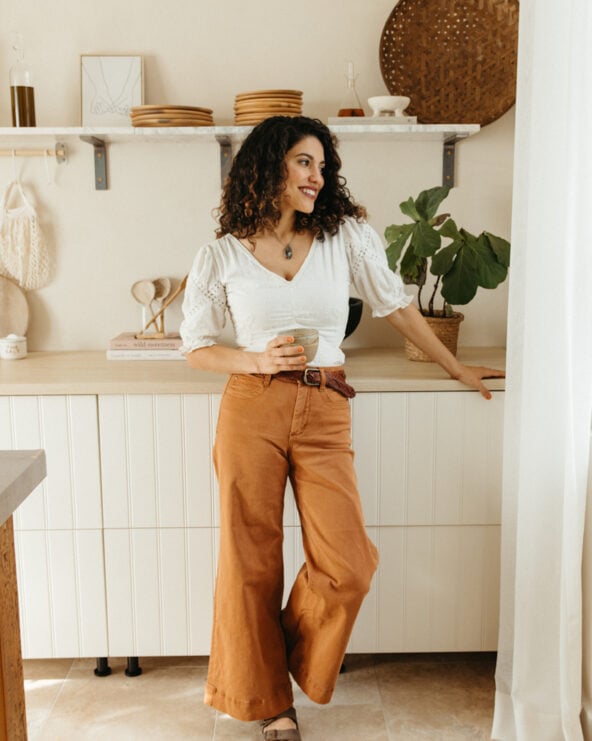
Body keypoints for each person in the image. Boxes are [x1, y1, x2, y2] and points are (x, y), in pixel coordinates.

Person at [179, 115, 504, 740]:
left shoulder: (345, 236)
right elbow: (195, 346)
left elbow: (397, 305)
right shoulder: (221, 252)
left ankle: (269, 657)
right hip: (251, 404)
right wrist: (253, 359)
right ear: (270, 165)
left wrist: (455, 366)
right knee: (249, 559)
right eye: (305, 162)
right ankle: (270, 703)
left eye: (322, 166)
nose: (317, 176)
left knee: (349, 564)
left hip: (326, 405)